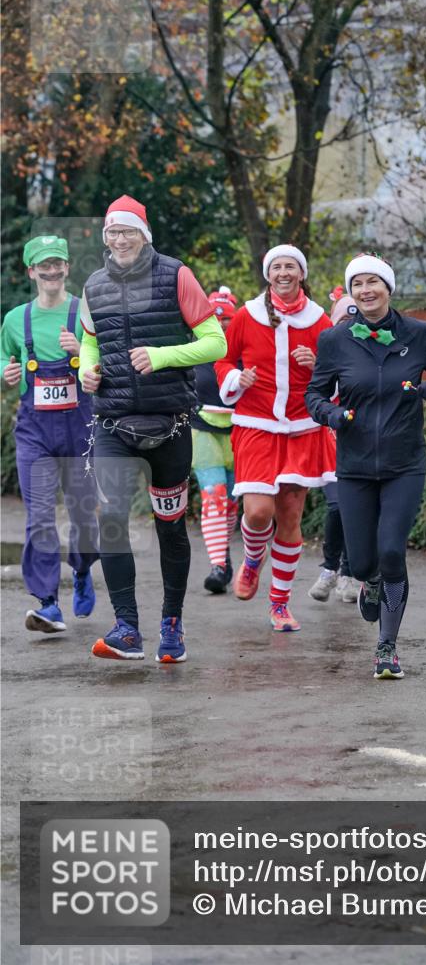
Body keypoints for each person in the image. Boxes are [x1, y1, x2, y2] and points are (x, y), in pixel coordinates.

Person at [305, 252, 426, 678]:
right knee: (361, 564)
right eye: (358, 284)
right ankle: (370, 582)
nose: (366, 290)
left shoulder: (420, 334)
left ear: (388, 288)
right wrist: (332, 415)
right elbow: (314, 396)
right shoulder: (334, 340)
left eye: (373, 282)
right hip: (355, 465)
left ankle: (386, 648)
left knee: (393, 551)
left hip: (404, 463)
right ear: (352, 292)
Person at [79, 195, 226, 662]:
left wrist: (162, 356)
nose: (120, 240)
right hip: (113, 423)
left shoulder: (176, 274)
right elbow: (89, 340)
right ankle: (126, 628)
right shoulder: (94, 284)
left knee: (170, 528)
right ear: (106, 238)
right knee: (112, 520)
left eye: (128, 231)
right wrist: (88, 370)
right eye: (112, 233)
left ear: (145, 235)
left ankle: (172, 625)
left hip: (170, 423)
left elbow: (215, 343)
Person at [214, 244, 336, 632]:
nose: (283, 273)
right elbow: (222, 358)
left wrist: (318, 366)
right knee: (257, 512)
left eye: (291, 267)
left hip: (303, 427)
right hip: (256, 424)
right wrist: (236, 379)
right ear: (268, 274)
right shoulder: (247, 316)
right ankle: (252, 559)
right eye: (277, 267)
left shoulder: (319, 322)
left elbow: (340, 372)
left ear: (301, 274)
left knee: (289, 515)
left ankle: (279, 604)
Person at [1, 235, 98, 633]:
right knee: (39, 517)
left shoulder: (85, 313)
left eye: (58, 262)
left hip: (82, 428)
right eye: (44, 264)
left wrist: (84, 349)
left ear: (67, 267)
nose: (52, 269)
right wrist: (5, 372)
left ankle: (81, 569)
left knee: (85, 517)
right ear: (32, 271)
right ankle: (46, 604)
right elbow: (3, 356)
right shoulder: (14, 320)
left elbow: (109, 363)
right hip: (35, 432)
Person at [308, 293, 360, 605]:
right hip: (329, 441)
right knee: (338, 506)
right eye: (343, 320)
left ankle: (349, 575)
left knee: (355, 509)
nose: (350, 326)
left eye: (355, 320)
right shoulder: (323, 350)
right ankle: (330, 568)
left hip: (362, 443)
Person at [192, 288, 239, 594]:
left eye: (227, 320)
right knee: (214, 495)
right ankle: (218, 565)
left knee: (232, 501)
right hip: (202, 430)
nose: (221, 325)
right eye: (215, 319)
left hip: (241, 432)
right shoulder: (192, 347)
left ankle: (224, 557)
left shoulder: (244, 350)